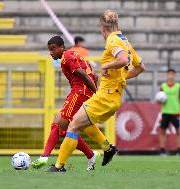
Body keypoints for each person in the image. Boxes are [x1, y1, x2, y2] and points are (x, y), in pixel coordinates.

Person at [47, 10, 145, 172]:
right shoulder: (124, 41)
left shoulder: (112, 40)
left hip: (104, 97)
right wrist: (119, 78)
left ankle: (59, 166)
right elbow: (141, 67)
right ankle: (107, 148)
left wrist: (106, 66)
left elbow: (122, 60)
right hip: (114, 97)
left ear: (102, 27)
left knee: (73, 126)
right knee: (82, 122)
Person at [32, 36, 99, 171]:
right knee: (60, 127)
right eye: (49, 50)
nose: (51, 52)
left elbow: (84, 75)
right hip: (79, 92)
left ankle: (47, 159)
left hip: (80, 93)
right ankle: (91, 155)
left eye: (53, 49)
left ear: (61, 47)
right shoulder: (72, 55)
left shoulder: (67, 57)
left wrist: (97, 94)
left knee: (60, 126)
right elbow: (94, 75)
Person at [159, 69, 180, 156]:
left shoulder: (178, 86)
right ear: (167, 75)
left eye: (172, 74)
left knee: (178, 131)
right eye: (169, 74)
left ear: (174, 75)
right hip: (165, 111)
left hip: (175, 112)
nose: (170, 75)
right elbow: (159, 100)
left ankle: (179, 150)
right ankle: (162, 150)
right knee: (162, 131)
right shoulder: (163, 86)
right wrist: (160, 100)